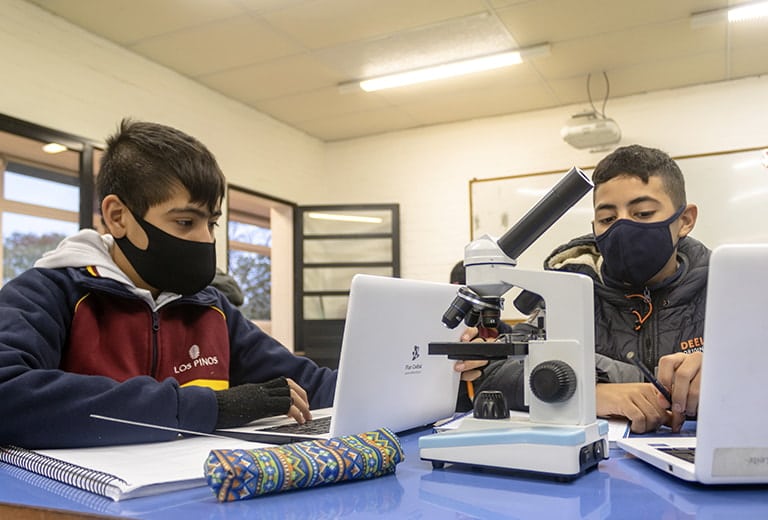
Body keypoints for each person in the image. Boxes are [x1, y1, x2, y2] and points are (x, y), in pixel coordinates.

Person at [0, 119, 336, 449]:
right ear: (118, 217)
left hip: (198, 493)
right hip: (77, 499)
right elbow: (8, 392)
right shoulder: (48, 292)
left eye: (212, 223)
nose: (205, 239)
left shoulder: (211, 306)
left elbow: (309, 386)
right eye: (186, 221)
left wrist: (380, 385)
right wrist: (209, 408)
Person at [455, 144, 708, 433]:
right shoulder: (566, 291)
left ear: (685, 220)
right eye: (608, 219)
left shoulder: (727, 291)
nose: (622, 227)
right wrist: (587, 393)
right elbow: (495, 371)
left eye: (643, 213)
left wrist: (725, 375)